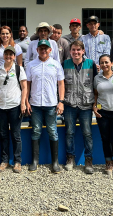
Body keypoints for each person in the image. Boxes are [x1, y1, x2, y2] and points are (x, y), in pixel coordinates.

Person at [26, 39, 65, 173]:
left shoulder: (55, 64)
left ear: (50, 50)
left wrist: (61, 101)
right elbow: (28, 85)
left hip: (51, 104)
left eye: (45, 48)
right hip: (35, 103)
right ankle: (35, 161)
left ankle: (55, 162)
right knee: (36, 131)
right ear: (37, 50)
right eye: (41, 48)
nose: (43, 50)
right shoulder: (31, 65)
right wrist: (26, 101)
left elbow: (61, 83)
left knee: (52, 131)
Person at [62, 41, 98, 173]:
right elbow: (60, 85)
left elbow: (96, 86)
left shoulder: (91, 64)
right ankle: (70, 158)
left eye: (78, 50)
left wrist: (95, 104)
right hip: (69, 104)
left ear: (83, 51)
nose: (75, 52)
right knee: (69, 133)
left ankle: (89, 160)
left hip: (86, 105)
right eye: (73, 50)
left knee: (87, 133)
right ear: (70, 51)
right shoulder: (65, 64)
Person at [0, 46, 27, 173]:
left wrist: (23, 103)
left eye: (11, 54)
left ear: (14, 56)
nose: (8, 56)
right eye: (6, 54)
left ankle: (17, 161)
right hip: (0, 105)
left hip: (14, 105)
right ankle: (4, 160)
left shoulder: (19, 69)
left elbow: (24, 87)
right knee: (3, 134)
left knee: (16, 135)